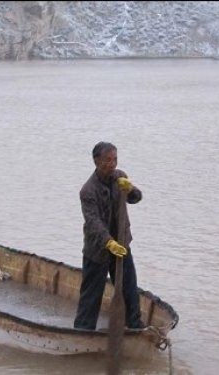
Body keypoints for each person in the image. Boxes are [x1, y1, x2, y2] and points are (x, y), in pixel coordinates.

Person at [74, 141, 145, 330]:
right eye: (107, 160)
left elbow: (136, 199)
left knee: (129, 290)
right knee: (91, 295)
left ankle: (135, 326)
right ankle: (83, 330)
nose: (112, 164)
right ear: (96, 161)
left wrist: (131, 189)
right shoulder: (88, 190)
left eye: (115, 159)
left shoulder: (120, 177)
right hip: (97, 250)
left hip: (122, 245)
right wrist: (109, 242)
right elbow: (93, 222)